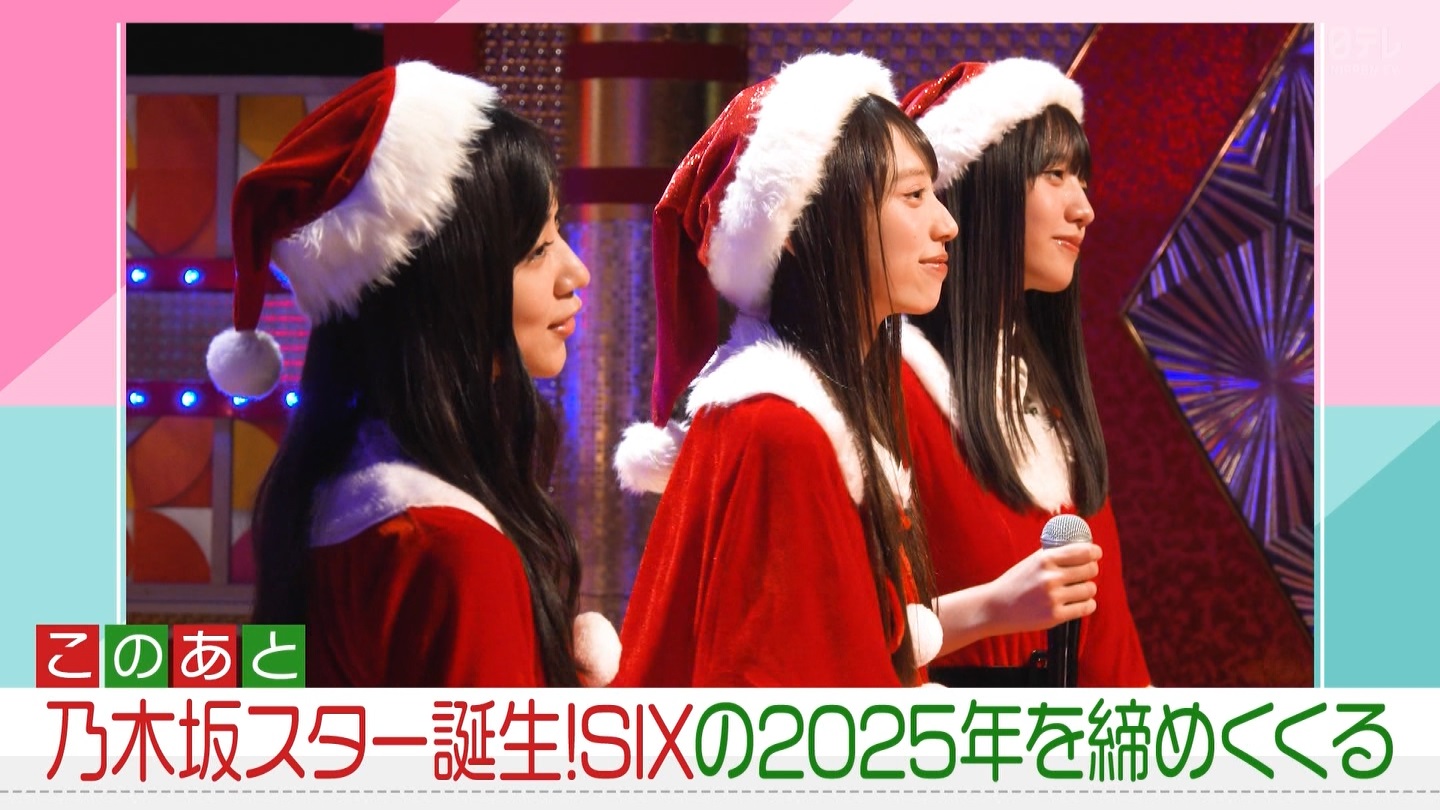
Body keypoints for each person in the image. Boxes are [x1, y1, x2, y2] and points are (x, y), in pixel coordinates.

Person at [205, 61, 617, 687]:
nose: (576, 273)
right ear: (445, 289)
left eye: (557, 233)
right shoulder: (446, 544)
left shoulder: (338, 495)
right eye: (536, 251)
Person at [611, 52, 958, 686]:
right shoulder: (780, 431)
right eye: (913, 195)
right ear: (797, 224)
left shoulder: (802, 418)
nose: (947, 224)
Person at [900, 59, 1151, 686]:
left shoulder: (1048, 397)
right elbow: (836, 632)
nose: (1084, 208)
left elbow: (1110, 647)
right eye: (1055, 175)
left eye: (1082, 179)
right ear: (981, 188)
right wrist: (987, 610)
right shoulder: (893, 388)